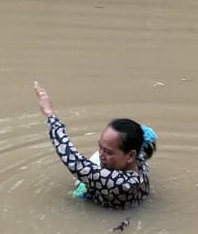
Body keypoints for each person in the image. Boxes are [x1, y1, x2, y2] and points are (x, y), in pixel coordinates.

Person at [34, 81, 156, 209]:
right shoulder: (140, 161)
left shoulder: (120, 183)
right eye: (100, 148)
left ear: (131, 155)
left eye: (108, 152)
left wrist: (49, 113)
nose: (101, 155)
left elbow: (75, 163)